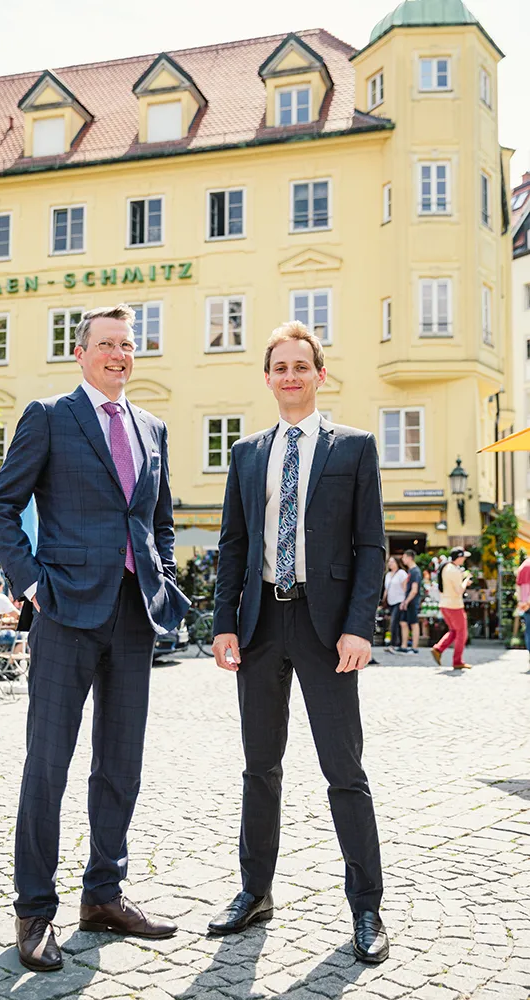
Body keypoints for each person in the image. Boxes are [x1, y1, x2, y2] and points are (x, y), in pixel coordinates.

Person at [0, 303, 190, 973]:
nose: (118, 354)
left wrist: (160, 573)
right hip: (65, 611)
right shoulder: (50, 416)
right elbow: (2, 505)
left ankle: (103, 895)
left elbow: (159, 519)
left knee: (120, 765)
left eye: (127, 345)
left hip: (134, 613)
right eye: (106, 344)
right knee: (47, 764)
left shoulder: (153, 427)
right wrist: (31, 583)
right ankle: (33, 910)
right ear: (80, 353)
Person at [209, 321, 388, 964]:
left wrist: (359, 626)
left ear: (320, 374)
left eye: (300, 366)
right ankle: (255, 891)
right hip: (260, 624)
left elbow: (371, 544)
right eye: (279, 367)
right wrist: (224, 622)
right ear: (267, 378)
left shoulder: (355, 447)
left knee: (344, 770)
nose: (290, 376)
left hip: (327, 627)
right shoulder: (246, 452)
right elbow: (233, 544)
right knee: (259, 767)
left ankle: (366, 906)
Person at [431, 548, 472, 669]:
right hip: (454, 605)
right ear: (459, 557)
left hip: (444, 604)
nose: (464, 559)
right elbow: (459, 590)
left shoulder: (446, 567)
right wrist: (466, 581)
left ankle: (438, 649)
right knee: (462, 633)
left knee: (454, 631)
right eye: (463, 557)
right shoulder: (454, 570)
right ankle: (457, 661)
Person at [394, 550, 422, 654]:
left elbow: (414, 590)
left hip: (412, 601)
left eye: (404, 557)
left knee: (414, 623)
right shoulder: (410, 571)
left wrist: (406, 601)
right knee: (403, 622)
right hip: (407, 600)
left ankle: (414, 647)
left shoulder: (415, 571)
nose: (402, 559)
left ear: (410, 558)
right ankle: (404, 645)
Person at [383, 555, 407, 650]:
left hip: (399, 601)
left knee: (394, 622)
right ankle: (398, 643)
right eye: (389, 562)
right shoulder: (388, 575)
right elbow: (386, 589)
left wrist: (405, 601)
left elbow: (405, 588)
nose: (390, 564)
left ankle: (394, 644)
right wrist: (383, 601)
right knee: (395, 622)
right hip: (390, 602)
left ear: (397, 563)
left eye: (392, 562)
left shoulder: (401, 573)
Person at [516, 555, 530, 664]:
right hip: (528, 603)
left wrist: (521, 602)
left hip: (525, 605)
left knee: (528, 631)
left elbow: (518, 586)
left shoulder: (522, 566)